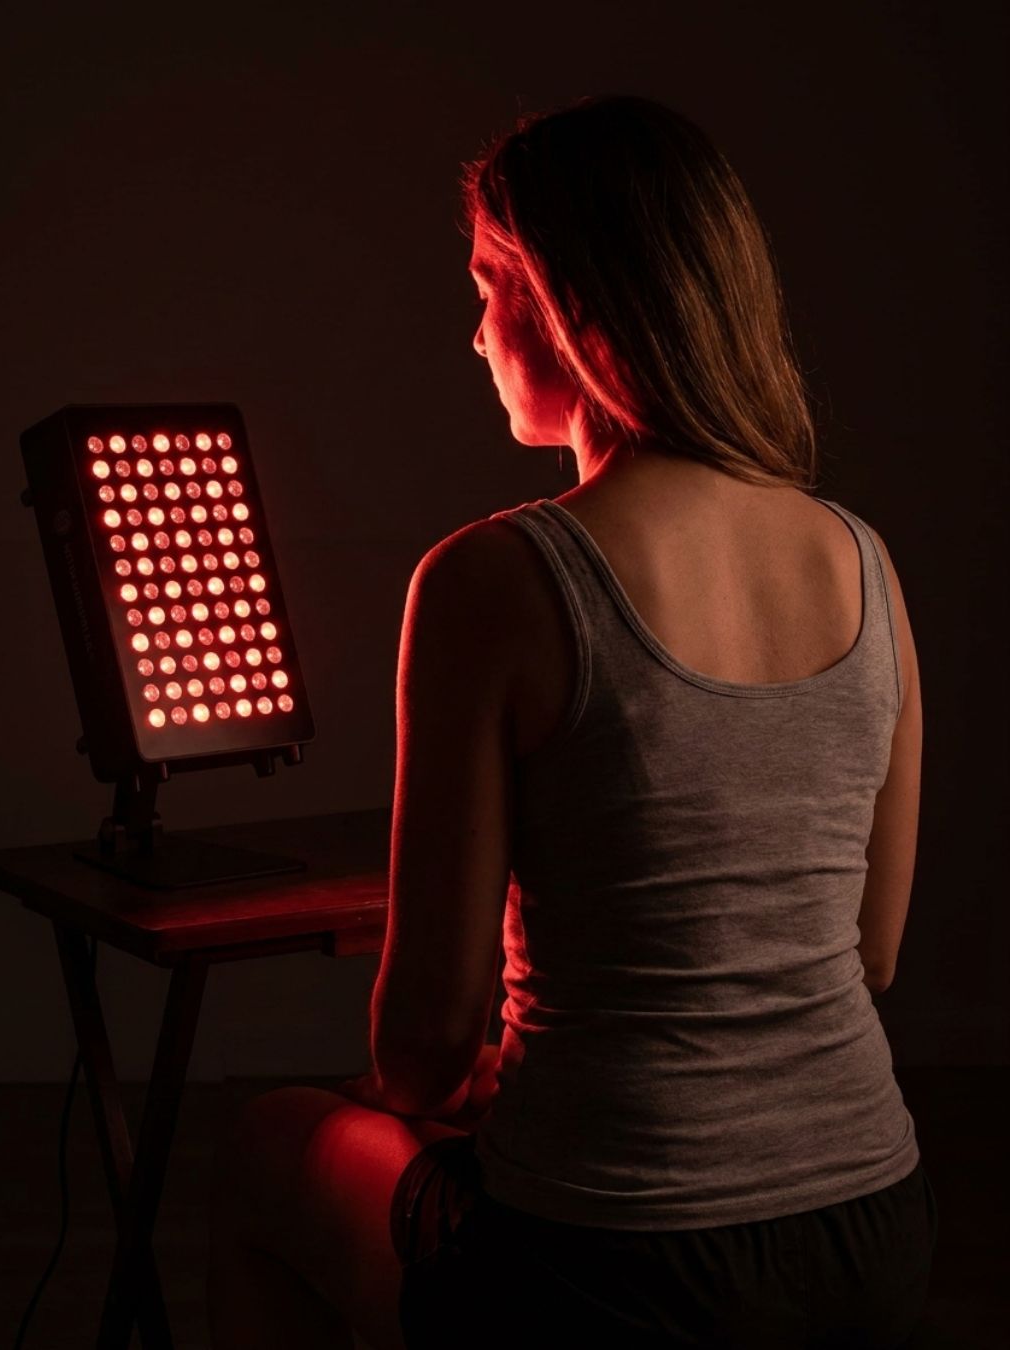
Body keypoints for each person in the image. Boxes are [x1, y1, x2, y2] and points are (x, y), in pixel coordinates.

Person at [206, 93, 938, 1349]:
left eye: (490, 283)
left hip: (611, 1261)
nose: (475, 330)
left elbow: (428, 1039)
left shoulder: (496, 580)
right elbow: (869, 955)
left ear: (572, 304)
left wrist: (411, 1091)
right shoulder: (864, 562)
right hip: (870, 1228)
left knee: (274, 1147)